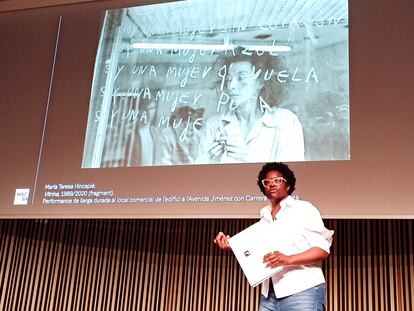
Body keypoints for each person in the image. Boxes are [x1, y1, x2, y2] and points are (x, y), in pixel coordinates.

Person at [214, 162, 333, 311]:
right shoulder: (264, 217)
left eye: (277, 180)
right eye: (267, 182)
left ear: (288, 185)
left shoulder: (303, 209)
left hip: (302, 290)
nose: (272, 184)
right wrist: (230, 245)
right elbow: (253, 250)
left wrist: (287, 259)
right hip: (269, 295)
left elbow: (322, 250)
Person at [196, 48, 304, 164]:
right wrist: (210, 162)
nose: (231, 86)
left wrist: (248, 158)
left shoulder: (286, 122)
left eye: (241, 78)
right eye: (228, 79)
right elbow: (196, 177)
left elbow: (290, 176)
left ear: (260, 82)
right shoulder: (214, 126)